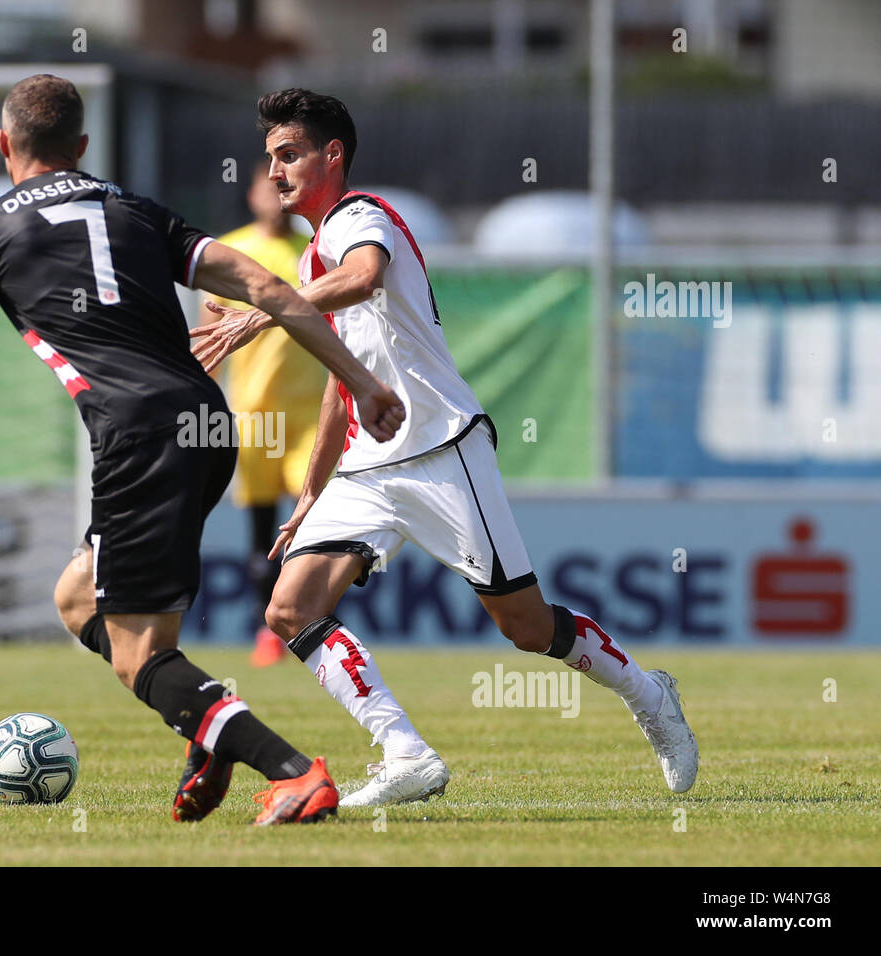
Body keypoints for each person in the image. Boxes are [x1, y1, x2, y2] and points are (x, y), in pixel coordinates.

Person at [0, 75, 406, 824]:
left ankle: (292, 771)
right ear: (82, 149)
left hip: (138, 435)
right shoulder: (137, 210)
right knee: (77, 598)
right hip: (206, 426)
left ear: (4, 145)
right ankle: (208, 733)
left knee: (138, 657)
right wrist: (364, 384)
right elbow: (272, 290)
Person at [192, 88, 698, 807]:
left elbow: (364, 276)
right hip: (369, 466)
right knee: (288, 608)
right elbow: (345, 381)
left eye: (289, 154)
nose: (275, 172)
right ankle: (405, 754)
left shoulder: (362, 218)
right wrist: (310, 494)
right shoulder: (309, 266)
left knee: (525, 627)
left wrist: (260, 313)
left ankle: (649, 693)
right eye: (271, 158)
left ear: (331, 155)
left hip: (440, 449)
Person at [200, 160, 322, 668]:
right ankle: (265, 628)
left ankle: (309, 621)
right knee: (261, 531)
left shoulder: (318, 249)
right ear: (251, 195)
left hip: (312, 414)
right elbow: (212, 336)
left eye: (283, 183)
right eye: (266, 185)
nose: (276, 192)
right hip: (253, 415)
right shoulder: (231, 252)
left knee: (315, 521)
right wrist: (203, 408)